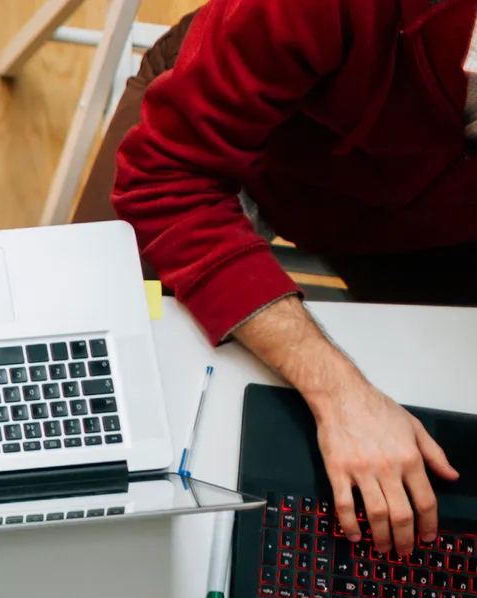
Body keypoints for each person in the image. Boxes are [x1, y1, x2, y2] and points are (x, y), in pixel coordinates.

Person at [101, 0, 477, 555]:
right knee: (108, 394)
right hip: (252, 143)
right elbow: (164, 181)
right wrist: (341, 392)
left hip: (432, 221)